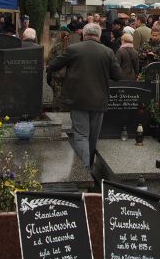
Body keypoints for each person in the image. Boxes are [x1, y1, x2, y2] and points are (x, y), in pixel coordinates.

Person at [45, 22, 122, 170]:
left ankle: (84, 170)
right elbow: (118, 75)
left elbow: (53, 65)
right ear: (99, 35)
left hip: (78, 99)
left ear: (83, 34)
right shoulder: (108, 52)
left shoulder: (73, 49)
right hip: (99, 100)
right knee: (93, 136)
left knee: (81, 135)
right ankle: (89, 167)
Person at [45, 29, 71, 109]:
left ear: (60, 37)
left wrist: (48, 70)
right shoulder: (72, 48)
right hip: (68, 75)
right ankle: (65, 109)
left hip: (56, 74)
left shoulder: (56, 47)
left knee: (57, 93)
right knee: (66, 93)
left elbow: (49, 60)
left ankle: (56, 109)